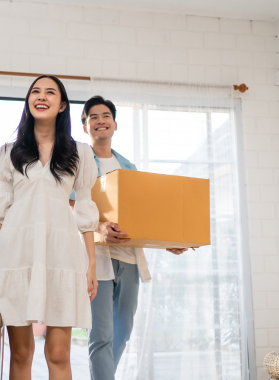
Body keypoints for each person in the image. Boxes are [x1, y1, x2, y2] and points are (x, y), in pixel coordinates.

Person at [0, 76, 100, 380]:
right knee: (21, 353)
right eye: (35, 91)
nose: (41, 96)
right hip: (16, 256)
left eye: (50, 92)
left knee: (58, 354)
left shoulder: (80, 153)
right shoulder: (9, 152)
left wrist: (91, 265)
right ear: (28, 101)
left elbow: (85, 213)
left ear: (62, 106)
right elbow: (0, 214)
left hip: (62, 257)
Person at [69, 96, 187, 380]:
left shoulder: (129, 167)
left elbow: (141, 214)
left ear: (115, 124)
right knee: (102, 336)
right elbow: (69, 204)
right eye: (93, 117)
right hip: (96, 258)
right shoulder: (78, 163)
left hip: (128, 258)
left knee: (121, 335)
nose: (100, 120)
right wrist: (99, 227)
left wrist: (164, 240)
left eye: (105, 115)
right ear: (85, 127)